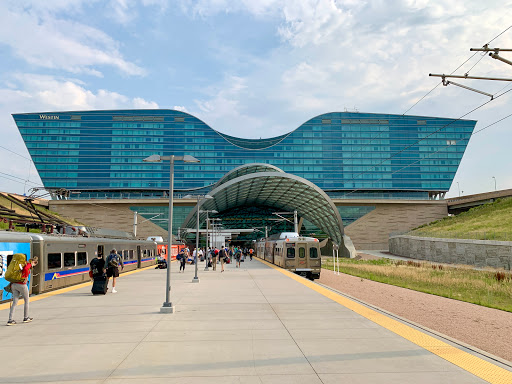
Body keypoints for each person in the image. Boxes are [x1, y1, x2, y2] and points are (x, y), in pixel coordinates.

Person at [7, 256, 38, 326]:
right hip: (22, 285)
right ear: (34, 262)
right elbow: (27, 269)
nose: (33, 266)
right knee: (26, 301)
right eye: (35, 264)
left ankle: (10, 320)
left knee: (14, 302)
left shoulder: (22, 264)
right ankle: (26, 318)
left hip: (14, 285)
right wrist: (26, 277)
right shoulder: (28, 264)